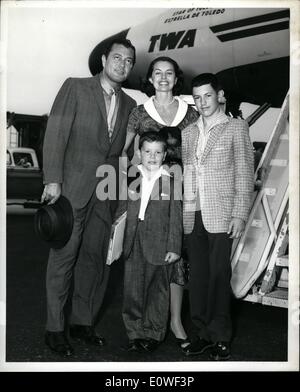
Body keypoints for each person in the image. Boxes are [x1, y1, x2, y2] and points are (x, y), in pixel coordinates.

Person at [41, 38, 136, 356]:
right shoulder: (75, 87)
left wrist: (122, 196)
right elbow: (56, 133)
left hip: (106, 193)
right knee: (64, 259)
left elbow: (123, 154)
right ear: (105, 59)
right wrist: (53, 180)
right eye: (118, 58)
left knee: (96, 261)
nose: (122, 64)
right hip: (71, 189)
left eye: (129, 61)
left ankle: (82, 323)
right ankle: (54, 328)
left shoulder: (130, 105)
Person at [121, 56, 198, 349]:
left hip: (183, 192)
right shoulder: (140, 113)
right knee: (146, 263)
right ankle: (145, 326)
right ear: (150, 78)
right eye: (157, 73)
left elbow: (197, 151)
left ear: (176, 78)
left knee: (177, 255)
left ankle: (174, 321)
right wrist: (130, 182)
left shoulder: (190, 114)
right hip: (149, 192)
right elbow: (126, 151)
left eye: (169, 73)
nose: (163, 78)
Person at [181, 73, 254, 360]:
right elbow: (187, 174)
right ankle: (201, 333)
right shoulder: (188, 132)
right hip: (193, 213)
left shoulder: (236, 128)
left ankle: (220, 336)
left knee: (219, 276)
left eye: (207, 95)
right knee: (197, 277)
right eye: (197, 97)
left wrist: (239, 213)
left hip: (222, 214)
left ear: (220, 95)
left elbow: (245, 174)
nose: (202, 102)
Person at [116, 131, 182, 352]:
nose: (152, 157)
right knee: (132, 289)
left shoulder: (172, 181)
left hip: (160, 242)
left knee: (158, 290)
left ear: (164, 155)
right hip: (133, 239)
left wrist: (174, 246)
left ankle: (153, 333)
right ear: (139, 153)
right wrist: (114, 238)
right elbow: (122, 209)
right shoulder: (132, 176)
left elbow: (176, 216)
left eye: (157, 152)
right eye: (147, 152)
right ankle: (134, 332)